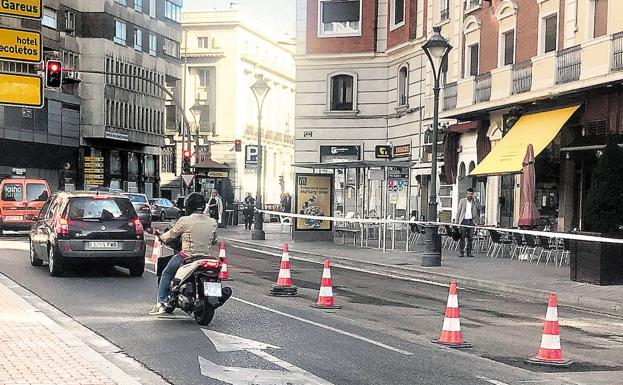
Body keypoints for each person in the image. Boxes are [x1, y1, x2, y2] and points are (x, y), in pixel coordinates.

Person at [149, 193, 218, 315]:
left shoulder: (184, 220)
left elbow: (172, 234)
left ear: (189, 206)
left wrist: (161, 237)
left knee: (166, 273)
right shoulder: (212, 222)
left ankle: (161, 302)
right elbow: (214, 239)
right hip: (207, 256)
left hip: (187, 256)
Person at [455, 187, 482, 258]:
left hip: (471, 221)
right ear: (466, 194)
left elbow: (480, 209)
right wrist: (456, 222)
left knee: (470, 238)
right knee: (462, 237)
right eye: (468, 194)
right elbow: (459, 211)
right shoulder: (462, 201)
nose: (470, 195)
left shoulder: (475, 201)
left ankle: (469, 252)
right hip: (463, 221)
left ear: (473, 194)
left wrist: (476, 201)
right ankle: (461, 252)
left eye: (471, 194)